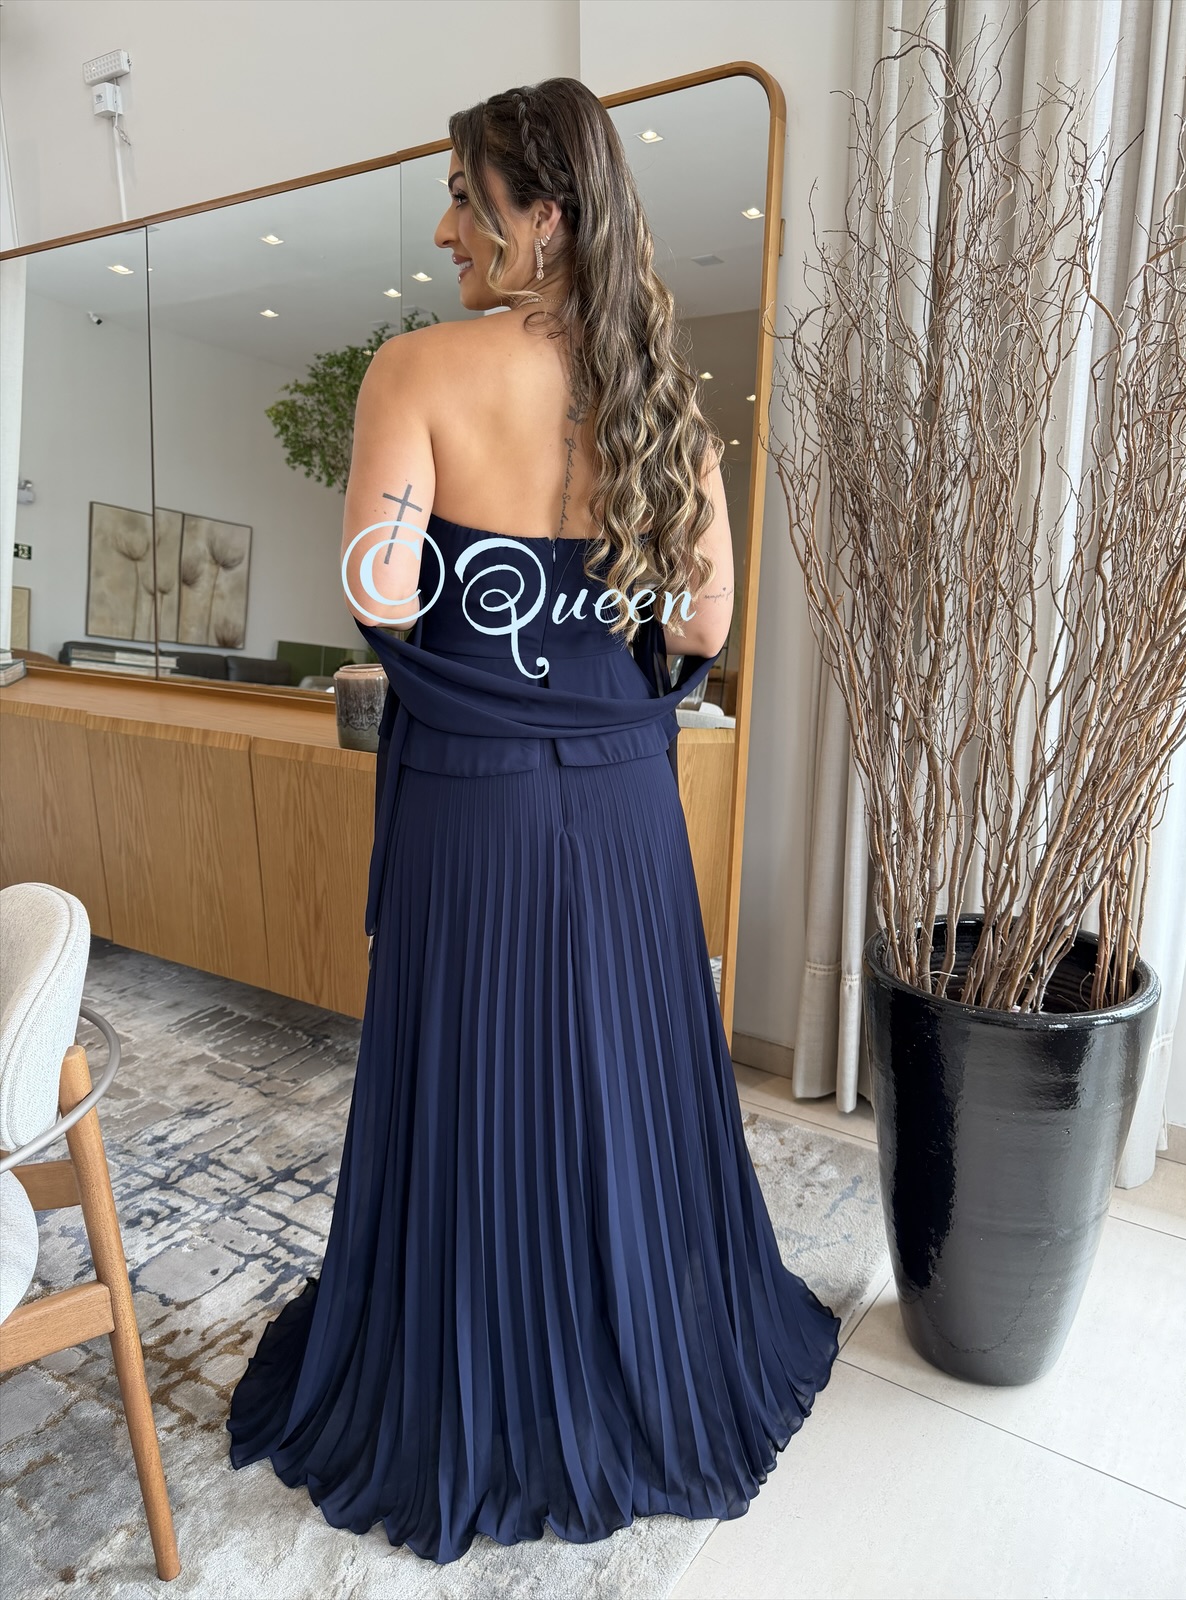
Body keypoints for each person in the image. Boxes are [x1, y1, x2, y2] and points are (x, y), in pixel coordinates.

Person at [226, 76, 840, 1566]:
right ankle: (643, 1340)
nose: (447, 229)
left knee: (474, 1074)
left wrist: (458, 560)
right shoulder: (666, 408)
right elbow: (702, 627)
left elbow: (380, 596)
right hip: (623, 799)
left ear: (544, 218)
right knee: (624, 1069)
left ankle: (471, 1361)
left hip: (475, 796)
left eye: (468, 200)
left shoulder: (417, 371)